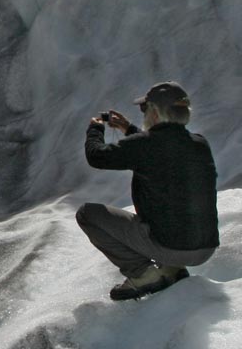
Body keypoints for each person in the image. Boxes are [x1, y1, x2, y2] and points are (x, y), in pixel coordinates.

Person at [77, 81, 220, 301]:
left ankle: (142, 274)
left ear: (155, 111)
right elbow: (160, 151)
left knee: (88, 214)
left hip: (170, 247)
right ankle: (172, 269)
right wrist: (128, 130)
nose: (143, 113)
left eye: (145, 109)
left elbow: (97, 156)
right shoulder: (200, 144)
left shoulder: (146, 145)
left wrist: (95, 128)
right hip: (205, 248)